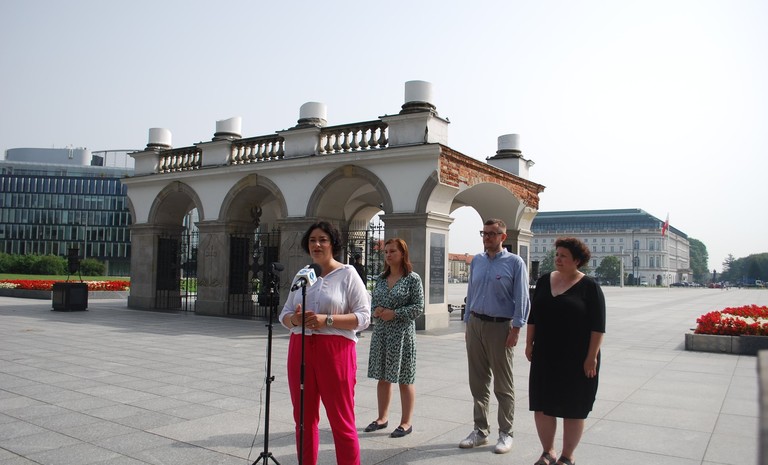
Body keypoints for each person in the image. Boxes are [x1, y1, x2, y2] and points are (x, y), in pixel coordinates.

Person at [279, 221, 371, 465]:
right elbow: (284, 314)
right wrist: (295, 319)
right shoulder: (303, 274)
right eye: (312, 240)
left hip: (335, 351)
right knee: (303, 420)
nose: (317, 245)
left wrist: (326, 319)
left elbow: (364, 318)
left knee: (341, 420)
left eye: (322, 240)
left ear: (333, 244)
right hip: (300, 348)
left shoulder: (348, 274)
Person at [525, 237, 606, 465]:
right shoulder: (544, 281)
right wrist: (529, 343)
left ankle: (567, 456)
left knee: (574, 407)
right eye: (557, 255)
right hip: (545, 354)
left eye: (563, 256)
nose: (558, 259)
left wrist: (591, 357)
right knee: (542, 405)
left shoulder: (590, 287)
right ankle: (547, 452)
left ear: (577, 261)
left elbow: (598, 326)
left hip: (577, 357)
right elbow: (533, 316)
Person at [459, 218, 530, 454]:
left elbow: (522, 297)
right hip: (476, 324)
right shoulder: (477, 261)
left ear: (503, 237)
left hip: (500, 327)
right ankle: (480, 430)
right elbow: (471, 291)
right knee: (477, 381)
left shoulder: (515, 263)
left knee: (503, 383)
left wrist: (516, 328)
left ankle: (506, 432)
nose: (487, 237)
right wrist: (468, 323)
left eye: (492, 233)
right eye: (484, 233)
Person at [364, 238, 424, 438]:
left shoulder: (412, 279)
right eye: (386, 252)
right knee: (382, 377)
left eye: (393, 251)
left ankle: (406, 422)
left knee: (405, 378)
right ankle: (382, 418)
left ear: (402, 254)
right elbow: (372, 302)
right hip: (382, 334)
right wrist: (376, 310)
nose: (388, 255)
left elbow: (418, 307)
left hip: (402, 335)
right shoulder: (381, 279)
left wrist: (395, 313)